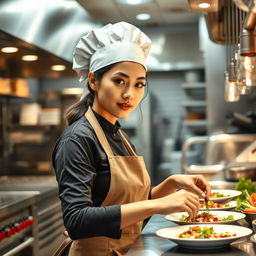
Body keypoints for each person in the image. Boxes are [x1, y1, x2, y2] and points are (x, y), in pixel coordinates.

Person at [52, 21, 211, 256]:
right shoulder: (77, 140)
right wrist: (158, 205)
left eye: (139, 84)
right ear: (94, 81)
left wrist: (171, 184)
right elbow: (76, 220)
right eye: (119, 81)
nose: (130, 94)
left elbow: (128, 205)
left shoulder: (117, 133)